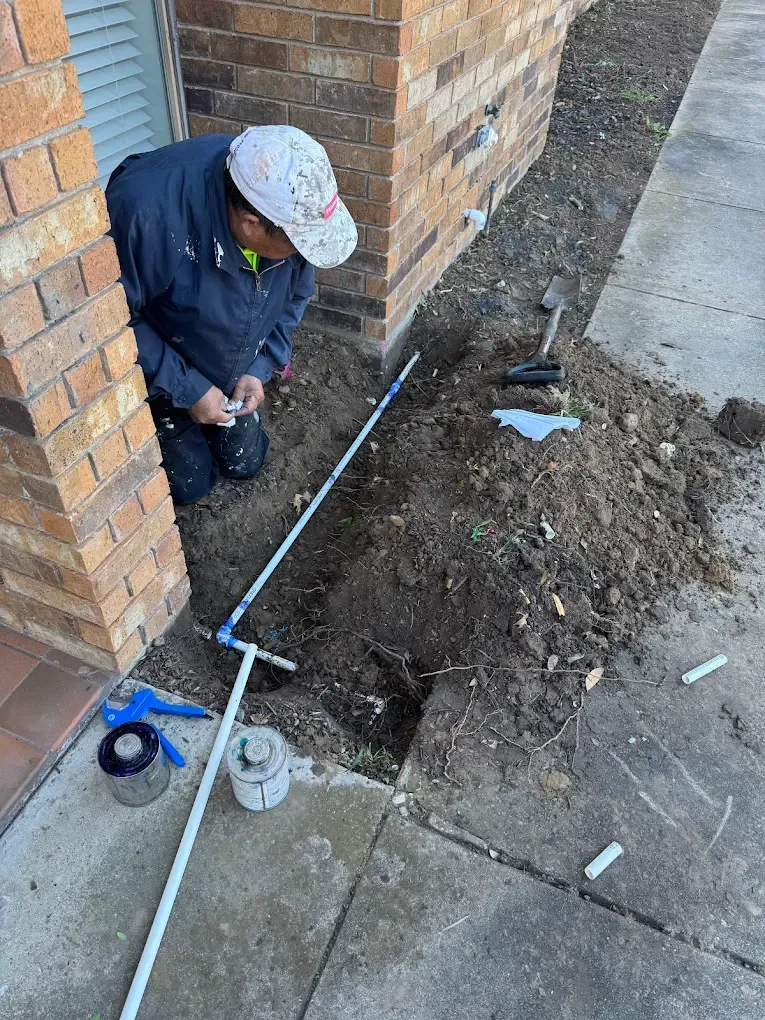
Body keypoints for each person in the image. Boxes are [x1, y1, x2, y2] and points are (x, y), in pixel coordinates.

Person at [106, 125, 357, 504]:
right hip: (165, 367)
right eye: (295, 247)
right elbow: (112, 322)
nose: (301, 257)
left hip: (230, 361)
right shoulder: (146, 215)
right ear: (250, 224)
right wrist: (187, 387)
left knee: (246, 462)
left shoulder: (282, 206)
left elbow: (294, 298)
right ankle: (167, 412)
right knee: (191, 485)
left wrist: (258, 368)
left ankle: (217, 393)